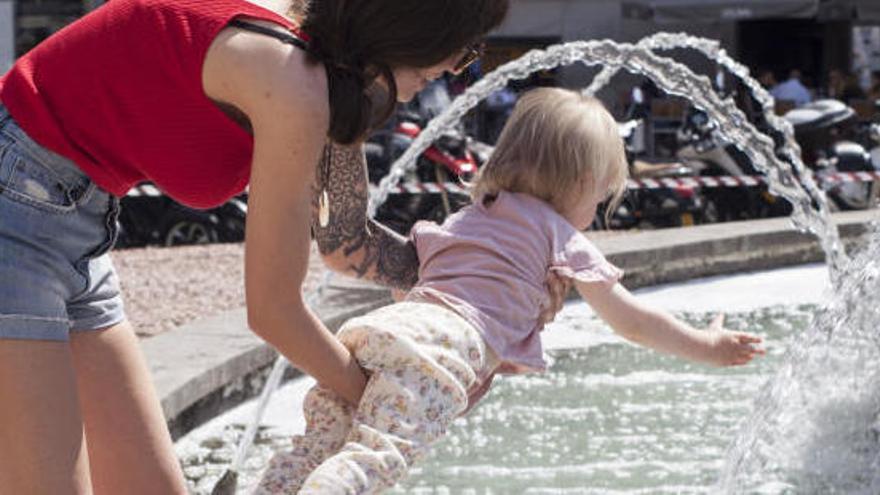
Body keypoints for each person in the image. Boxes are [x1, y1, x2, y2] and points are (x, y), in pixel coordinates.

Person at [0, 0, 549, 493]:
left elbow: (346, 241)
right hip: (15, 207)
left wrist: (480, 296)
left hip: (73, 224)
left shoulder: (323, 64)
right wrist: (397, 399)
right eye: (466, 49)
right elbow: (274, 312)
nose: (462, 68)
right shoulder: (292, 79)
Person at [255, 88, 766, 494]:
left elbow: (417, 284)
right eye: (602, 195)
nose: (597, 211)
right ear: (586, 181)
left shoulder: (469, 218)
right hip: (444, 347)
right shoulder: (559, 234)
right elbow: (630, 321)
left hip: (384, 330)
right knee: (374, 456)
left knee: (317, 445)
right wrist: (706, 346)